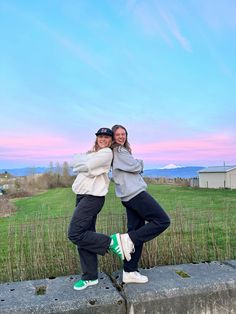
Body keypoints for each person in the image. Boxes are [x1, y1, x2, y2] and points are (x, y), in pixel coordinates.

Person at [68, 127, 127, 291]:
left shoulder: (106, 153)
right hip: (81, 196)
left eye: (106, 137)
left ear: (111, 140)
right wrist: (83, 163)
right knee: (84, 237)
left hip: (92, 197)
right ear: (96, 138)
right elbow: (75, 162)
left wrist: (84, 164)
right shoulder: (93, 153)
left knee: (75, 233)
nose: (103, 139)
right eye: (100, 136)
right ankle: (90, 277)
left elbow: (86, 166)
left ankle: (111, 242)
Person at [111, 124, 170, 284]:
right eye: (118, 134)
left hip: (127, 197)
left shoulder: (118, 152)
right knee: (162, 221)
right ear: (113, 137)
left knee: (136, 230)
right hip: (135, 194)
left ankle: (130, 271)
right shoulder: (118, 151)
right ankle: (127, 239)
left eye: (124, 134)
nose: (122, 137)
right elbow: (136, 166)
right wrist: (140, 163)